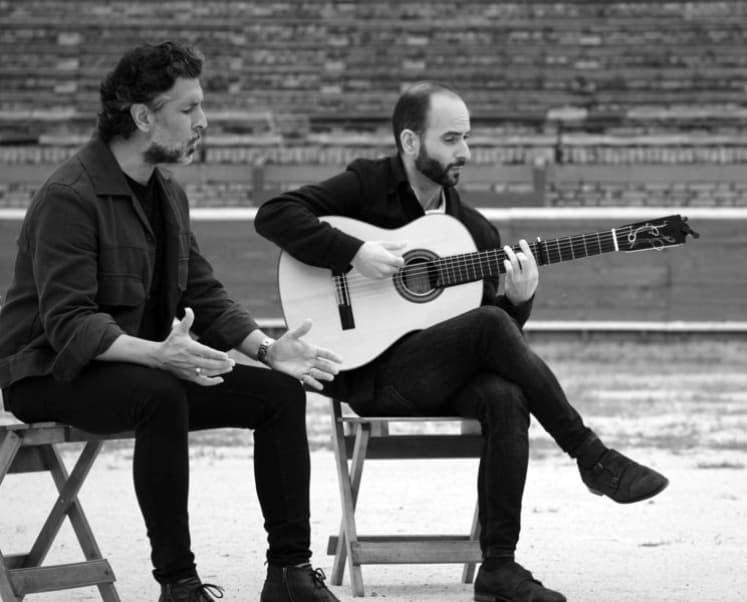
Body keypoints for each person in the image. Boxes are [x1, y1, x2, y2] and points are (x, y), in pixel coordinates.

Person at [254, 81, 669, 602]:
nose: (465, 153)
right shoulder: (366, 184)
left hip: (435, 377)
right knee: (491, 330)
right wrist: (353, 252)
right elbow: (273, 215)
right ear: (410, 141)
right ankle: (592, 457)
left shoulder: (472, 231)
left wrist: (518, 301)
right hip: (369, 375)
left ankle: (498, 569)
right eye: (451, 139)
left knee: (505, 393)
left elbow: (496, 346)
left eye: (466, 139)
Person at [0, 42, 345, 602]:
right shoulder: (70, 196)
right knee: (161, 394)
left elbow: (201, 292)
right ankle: (178, 585)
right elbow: (68, 325)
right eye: (188, 109)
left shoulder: (169, 193)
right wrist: (159, 354)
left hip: (140, 367)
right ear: (143, 117)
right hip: (46, 372)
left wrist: (264, 349)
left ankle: (290, 575)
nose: (202, 122)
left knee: (279, 394)